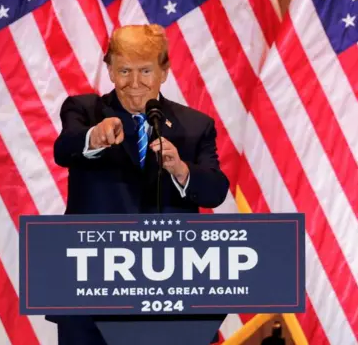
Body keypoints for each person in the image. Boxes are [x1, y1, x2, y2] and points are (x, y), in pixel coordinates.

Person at [47, 24, 230, 344]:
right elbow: (65, 149)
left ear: (165, 71)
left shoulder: (195, 125)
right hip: (90, 293)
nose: (133, 83)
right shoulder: (85, 110)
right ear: (109, 70)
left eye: (145, 71)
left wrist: (182, 169)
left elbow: (215, 190)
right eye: (123, 71)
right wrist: (94, 137)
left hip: (168, 293)